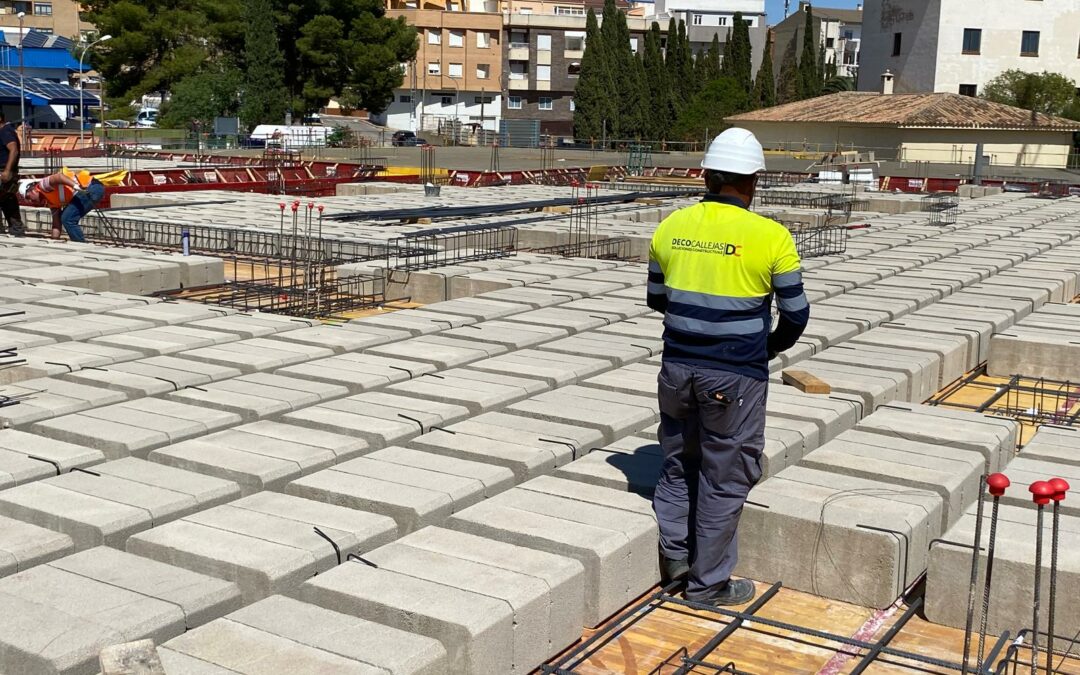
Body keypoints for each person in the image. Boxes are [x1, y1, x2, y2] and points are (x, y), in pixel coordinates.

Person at [647, 128, 810, 606]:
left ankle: (675, 559)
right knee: (726, 476)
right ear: (754, 181)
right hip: (735, 377)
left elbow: (657, 299)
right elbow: (796, 312)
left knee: (678, 464)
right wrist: (766, 347)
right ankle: (709, 585)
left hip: (677, 367)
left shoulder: (670, 226)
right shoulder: (771, 236)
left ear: (706, 175)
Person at [19, 168, 104, 243]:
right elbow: (56, 224)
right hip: (89, 191)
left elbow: (58, 177)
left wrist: (75, 186)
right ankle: (79, 243)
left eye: (28, 197)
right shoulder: (51, 202)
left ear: (33, 190)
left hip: (90, 188)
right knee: (67, 218)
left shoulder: (43, 186)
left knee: (67, 218)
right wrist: (53, 241)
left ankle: (80, 244)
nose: (30, 201)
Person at [0, 112, 24, 236]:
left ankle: (16, 230)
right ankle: (16, 230)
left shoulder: (5, 132)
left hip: (5, 171)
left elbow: (13, 150)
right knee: (7, 201)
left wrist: (7, 171)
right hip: (5, 172)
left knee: (8, 200)